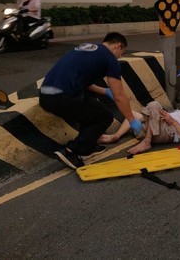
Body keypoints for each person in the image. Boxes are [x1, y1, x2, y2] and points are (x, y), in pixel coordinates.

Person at [39, 32, 143, 169]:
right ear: (118, 46)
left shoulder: (86, 48)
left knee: (90, 107)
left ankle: (88, 147)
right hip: (64, 97)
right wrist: (132, 120)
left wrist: (105, 91)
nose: (120, 56)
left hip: (45, 95)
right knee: (104, 117)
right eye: (121, 52)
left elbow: (83, 80)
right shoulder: (110, 59)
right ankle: (71, 150)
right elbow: (119, 96)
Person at [98, 101, 180, 154]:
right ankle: (116, 136)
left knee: (154, 105)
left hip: (169, 131)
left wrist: (173, 122)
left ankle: (147, 141)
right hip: (160, 123)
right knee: (132, 114)